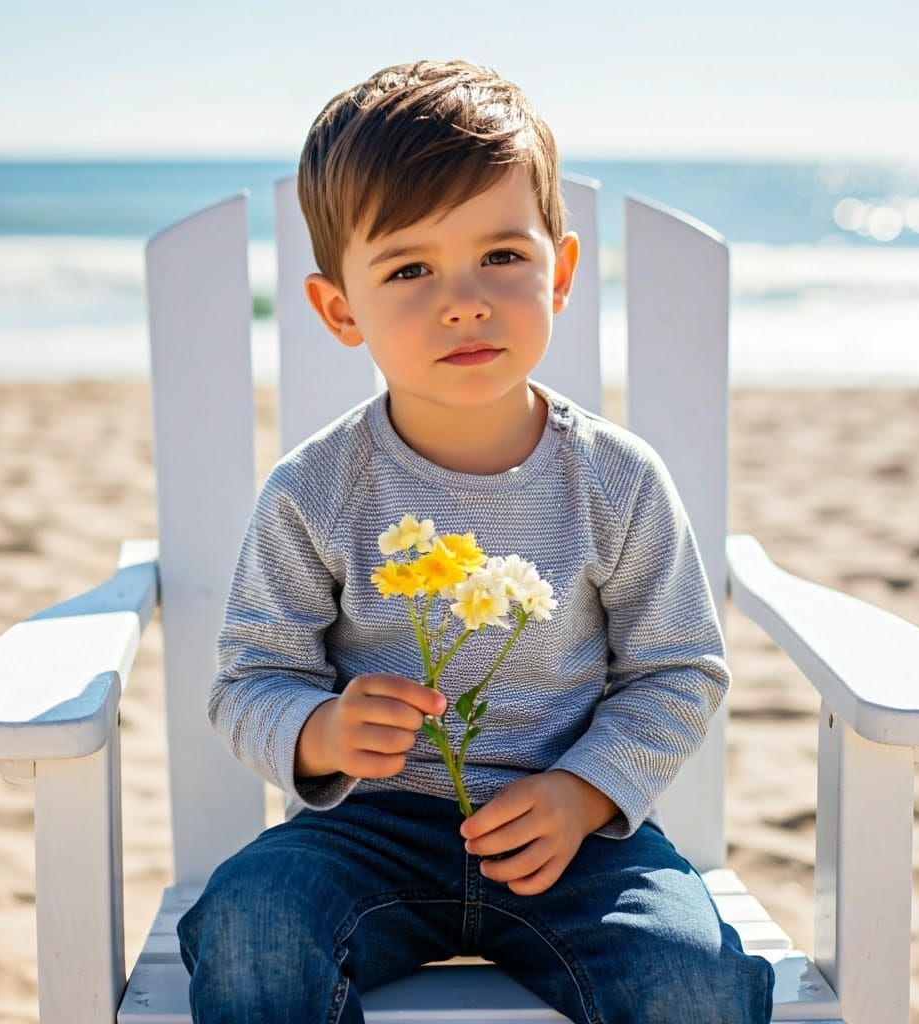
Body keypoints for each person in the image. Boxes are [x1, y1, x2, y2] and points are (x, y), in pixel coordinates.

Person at [176, 58, 776, 1023]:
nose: (464, 300)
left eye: (502, 257)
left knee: (690, 978)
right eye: (410, 269)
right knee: (251, 930)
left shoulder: (614, 480)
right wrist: (323, 733)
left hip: (577, 847)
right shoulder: (316, 490)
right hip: (367, 835)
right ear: (339, 309)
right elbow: (251, 679)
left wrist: (583, 794)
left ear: (562, 272)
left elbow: (679, 671)